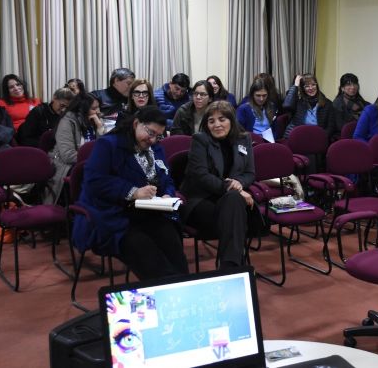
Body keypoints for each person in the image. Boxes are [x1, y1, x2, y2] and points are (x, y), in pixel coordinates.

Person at [72, 106, 188, 280]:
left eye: (158, 136)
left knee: (173, 246)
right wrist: (132, 192)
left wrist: (168, 194)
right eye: (150, 132)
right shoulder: (109, 144)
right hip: (115, 215)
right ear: (136, 124)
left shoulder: (155, 148)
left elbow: (167, 178)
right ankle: (167, 294)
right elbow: (94, 181)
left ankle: (181, 287)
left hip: (150, 212)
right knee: (150, 258)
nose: (153, 139)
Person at [179, 101, 255, 268]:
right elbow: (201, 176)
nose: (217, 124)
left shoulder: (244, 139)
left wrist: (239, 184)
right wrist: (233, 188)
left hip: (230, 199)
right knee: (234, 210)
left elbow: (250, 173)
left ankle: (229, 267)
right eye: (211, 121)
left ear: (231, 121)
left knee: (233, 204)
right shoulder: (200, 140)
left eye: (222, 119)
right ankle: (234, 267)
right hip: (201, 199)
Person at [45, 92, 105, 204]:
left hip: (90, 163)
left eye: (98, 107)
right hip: (66, 166)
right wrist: (96, 160)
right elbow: (68, 156)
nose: (98, 111)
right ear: (82, 109)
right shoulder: (67, 122)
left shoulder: (94, 120)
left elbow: (104, 148)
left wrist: (100, 129)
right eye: (94, 108)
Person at [281, 73, 335, 139]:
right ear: (302, 88)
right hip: (298, 136)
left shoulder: (327, 103)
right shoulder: (298, 102)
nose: (311, 88)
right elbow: (287, 105)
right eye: (307, 86)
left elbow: (331, 127)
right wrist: (295, 86)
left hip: (318, 137)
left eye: (313, 85)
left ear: (317, 86)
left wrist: (321, 137)